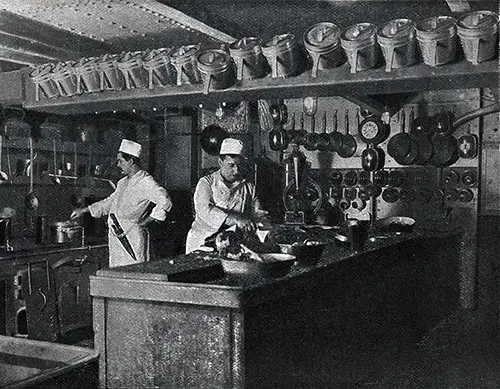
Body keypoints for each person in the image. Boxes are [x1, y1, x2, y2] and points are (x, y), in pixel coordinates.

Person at [70, 139, 173, 268]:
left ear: (131, 161)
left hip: (132, 238)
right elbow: (110, 202)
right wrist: (84, 210)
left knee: (134, 274)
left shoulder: (145, 182)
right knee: (117, 276)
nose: (118, 165)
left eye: (120, 161)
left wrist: (147, 221)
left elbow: (165, 201)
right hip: (116, 237)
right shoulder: (123, 182)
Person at [186, 138, 268, 253]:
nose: (236, 171)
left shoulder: (249, 187)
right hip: (203, 243)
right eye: (231, 165)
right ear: (220, 162)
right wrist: (236, 219)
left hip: (232, 243)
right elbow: (204, 210)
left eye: (239, 166)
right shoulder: (207, 183)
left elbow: (258, 214)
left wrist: (264, 223)